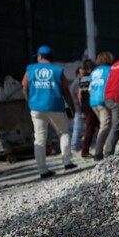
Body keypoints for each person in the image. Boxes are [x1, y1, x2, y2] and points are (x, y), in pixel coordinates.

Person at [21, 45, 77, 178]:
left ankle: (42, 170)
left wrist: (30, 103)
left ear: (40, 56)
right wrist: (72, 107)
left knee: (39, 139)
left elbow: (24, 88)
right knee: (63, 133)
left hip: (36, 108)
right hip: (55, 106)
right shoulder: (58, 71)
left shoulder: (30, 69)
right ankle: (67, 162)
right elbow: (65, 91)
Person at [89, 51, 114, 161]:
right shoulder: (109, 70)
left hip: (93, 101)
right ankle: (98, 152)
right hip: (103, 101)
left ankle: (105, 149)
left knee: (104, 125)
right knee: (105, 126)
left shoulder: (94, 72)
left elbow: (90, 88)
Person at [79, 59, 99, 160]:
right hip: (92, 106)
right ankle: (86, 152)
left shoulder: (82, 79)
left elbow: (79, 94)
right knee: (93, 129)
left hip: (85, 107)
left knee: (91, 129)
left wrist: (82, 106)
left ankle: (88, 151)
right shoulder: (92, 77)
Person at [69, 66, 84, 152]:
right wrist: (83, 107)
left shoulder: (75, 83)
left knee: (78, 127)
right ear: (78, 74)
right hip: (79, 108)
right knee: (77, 128)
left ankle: (75, 145)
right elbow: (79, 96)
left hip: (76, 108)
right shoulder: (78, 83)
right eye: (82, 73)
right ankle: (74, 146)